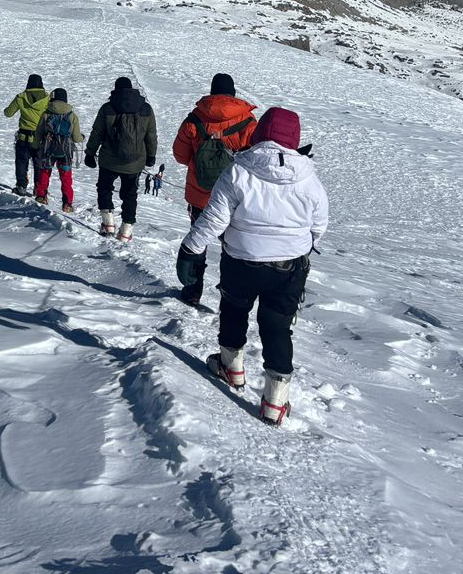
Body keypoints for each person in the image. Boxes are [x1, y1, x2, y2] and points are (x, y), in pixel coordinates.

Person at [176, 107, 328, 426]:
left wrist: (192, 247)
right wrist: (298, 245)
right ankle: (275, 402)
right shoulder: (308, 176)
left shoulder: (238, 170)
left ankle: (232, 368)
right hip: (290, 267)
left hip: (242, 260)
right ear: (294, 139)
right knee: (277, 327)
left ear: (259, 135)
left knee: (234, 310)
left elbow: (216, 218)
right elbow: (319, 226)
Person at [170, 72, 259, 304]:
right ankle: (230, 298)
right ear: (233, 93)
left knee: (198, 242)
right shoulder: (248, 122)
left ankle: (192, 291)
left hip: (201, 196)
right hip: (235, 199)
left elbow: (180, 156)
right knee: (233, 250)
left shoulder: (194, 119)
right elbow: (256, 160)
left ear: (211, 91)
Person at [83, 76, 157, 240]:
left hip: (109, 159)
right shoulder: (146, 109)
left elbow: (97, 132)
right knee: (130, 195)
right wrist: (151, 155)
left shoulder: (108, 108)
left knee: (104, 188)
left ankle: (108, 224)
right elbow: (151, 136)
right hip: (135, 162)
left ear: (116, 90)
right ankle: (126, 231)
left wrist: (90, 152)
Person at [32, 88, 83, 211]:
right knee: (66, 177)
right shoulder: (72, 116)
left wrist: (35, 146)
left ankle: (41, 196)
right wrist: (81, 138)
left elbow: (38, 133)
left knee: (44, 172)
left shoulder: (46, 114)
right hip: (66, 151)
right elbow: (76, 138)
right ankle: (67, 203)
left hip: (48, 149)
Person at [3, 74, 50, 195]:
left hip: (23, 136)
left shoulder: (21, 97)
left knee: (21, 162)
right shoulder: (47, 98)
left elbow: (8, 113)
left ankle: (21, 186)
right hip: (40, 138)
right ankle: (38, 189)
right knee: (39, 163)